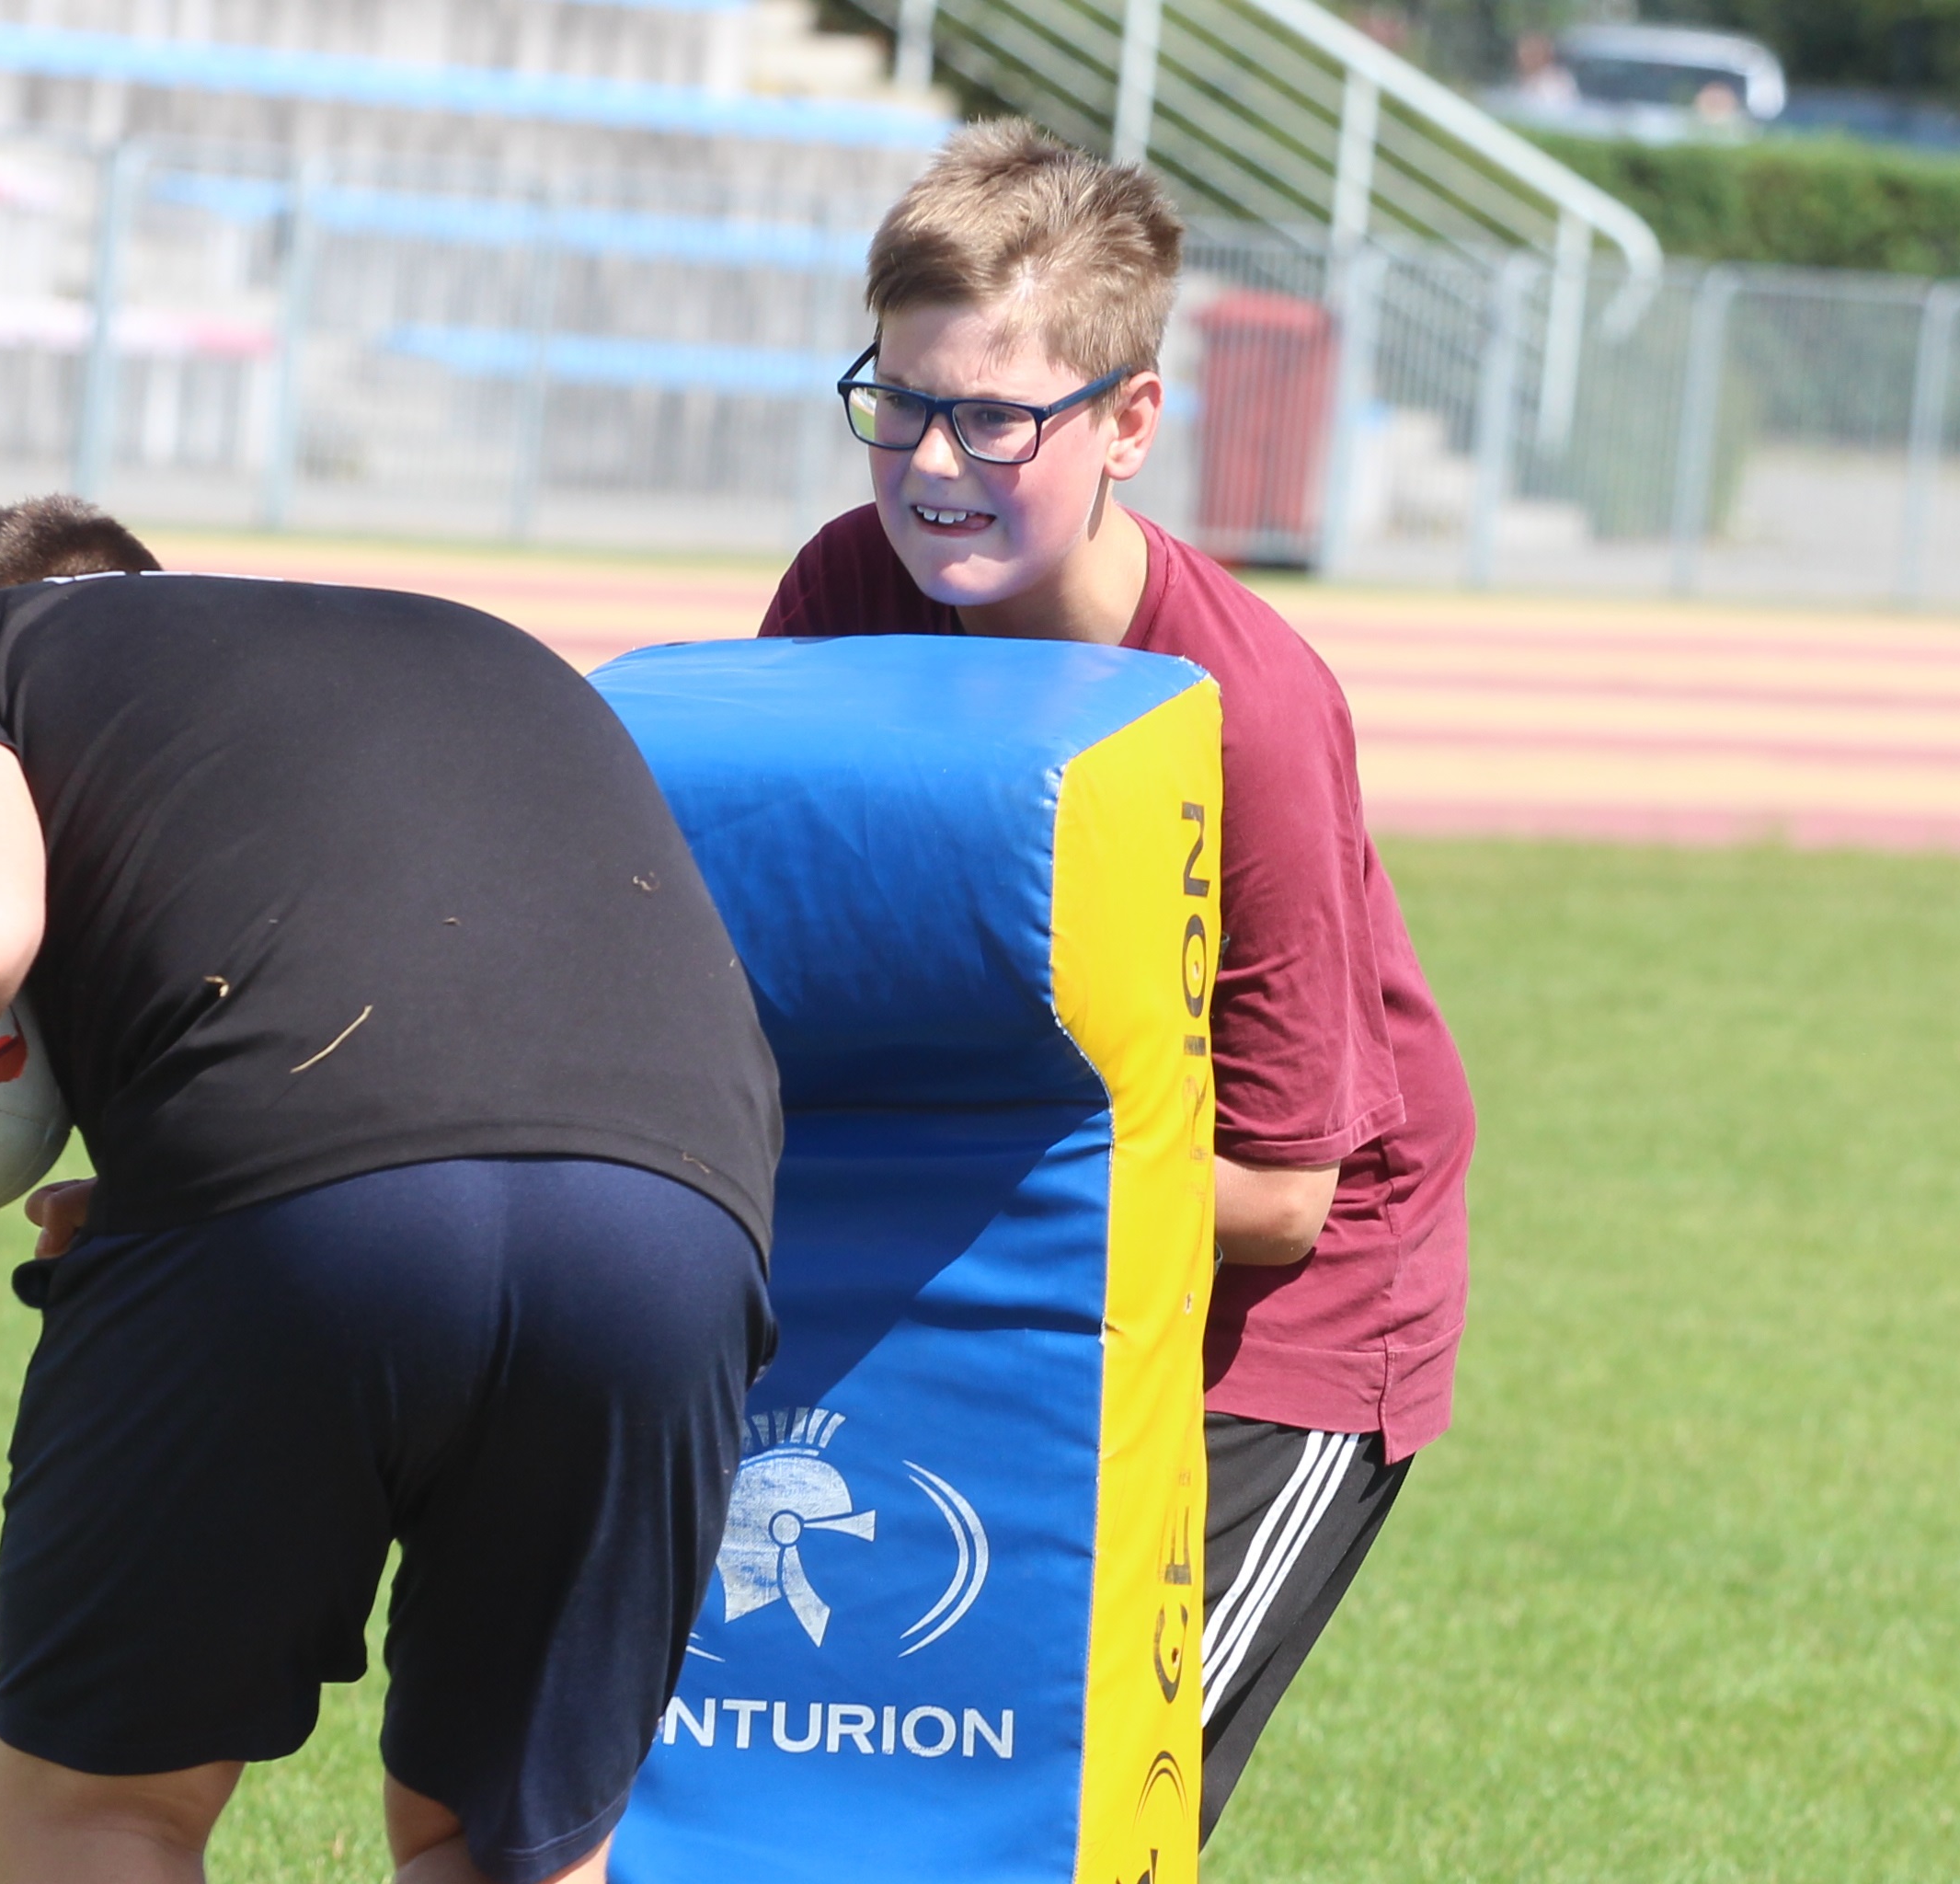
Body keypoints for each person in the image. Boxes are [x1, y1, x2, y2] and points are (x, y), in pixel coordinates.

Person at [0, 496, 781, 1884]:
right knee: (501, 1842)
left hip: (299, 1197)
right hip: (677, 1218)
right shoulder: (476, 640)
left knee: (106, 1814)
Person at [757, 122, 1475, 1841]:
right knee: (860, 1745)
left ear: (1132, 423)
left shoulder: (1254, 710)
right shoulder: (852, 593)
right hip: (994, 1233)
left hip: (1279, 1324)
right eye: (899, 403)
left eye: (995, 422)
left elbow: (1291, 1197)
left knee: (1068, 1807)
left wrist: (937, 1189)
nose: (932, 464)